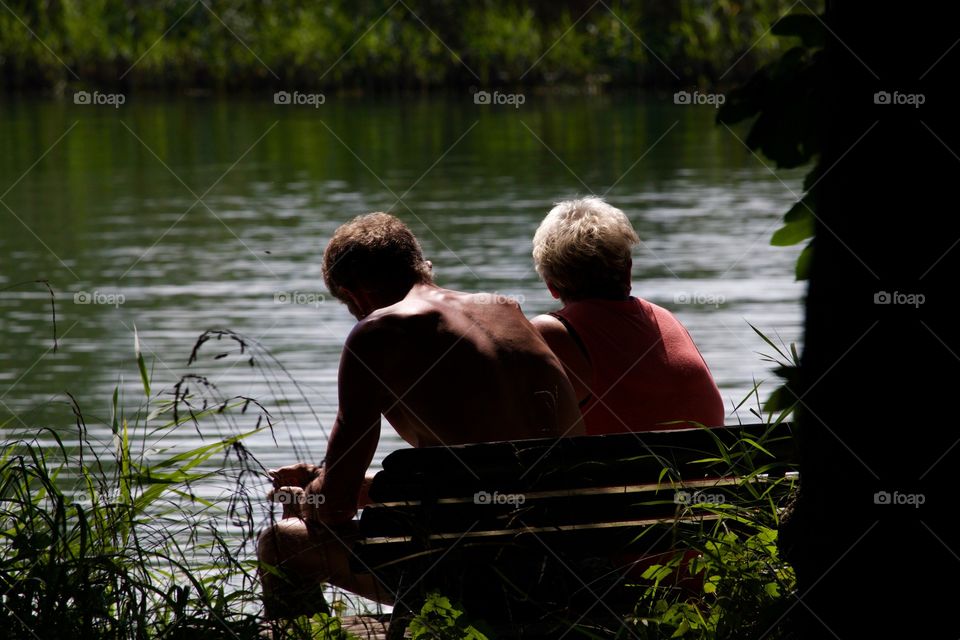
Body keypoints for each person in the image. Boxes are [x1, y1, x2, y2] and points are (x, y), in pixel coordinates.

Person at [258, 212, 583, 618]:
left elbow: (336, 508)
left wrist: (309, 498)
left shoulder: (377, 333)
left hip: (477, 578)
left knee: (281, 544)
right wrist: (335, 480)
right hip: (572, 565)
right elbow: (474, 467)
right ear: (421, 266)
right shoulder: (507, 312)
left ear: (354, 295)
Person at [530, 196, 724, 434]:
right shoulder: (666, 320)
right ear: (628, 271)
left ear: (551, 286)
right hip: (717, 468)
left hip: (628, 472)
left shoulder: (551, 334)